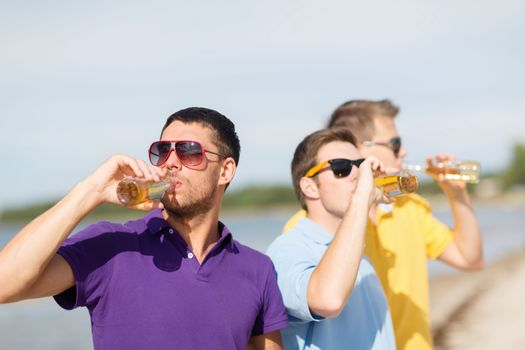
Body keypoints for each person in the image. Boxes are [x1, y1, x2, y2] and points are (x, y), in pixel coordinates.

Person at [0, 107, 288, 350]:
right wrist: (91, 191)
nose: (171, 162)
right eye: (163, 151)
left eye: (189, 151)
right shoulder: (112, 245)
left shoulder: (257, 269)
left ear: (225, 170)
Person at [284, 99, 483, 350]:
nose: (404, 152)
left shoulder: (408, 208)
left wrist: (457, 195)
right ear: (359, 149)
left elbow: (470, 259)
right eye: (395, 144)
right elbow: (321, 301)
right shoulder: (309, 227)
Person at [267, 127, 397, 349]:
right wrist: (361, 199)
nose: (357, 174)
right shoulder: (287, 249)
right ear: (310, 187)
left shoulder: (358, 253)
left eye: (360, 165)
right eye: (341, 168)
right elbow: (327, 300)